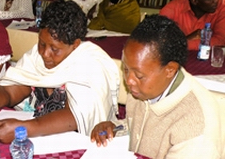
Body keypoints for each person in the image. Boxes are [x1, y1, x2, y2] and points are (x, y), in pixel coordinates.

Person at [0, 0, 120, 144]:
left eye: (54, 49)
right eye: (41, 44)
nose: (44, 53)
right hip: (38, 133)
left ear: (75, 45)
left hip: (72, 141)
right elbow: (11, 90)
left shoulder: (90, 64)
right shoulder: (37, 56)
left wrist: (25, 129)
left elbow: (76, 117)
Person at [90, 15, 223, 158]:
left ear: (170, 69)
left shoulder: (195, 129)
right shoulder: (145, 89)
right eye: (126, 69)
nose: (129, 81)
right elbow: (142, 125)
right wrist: (115, 127)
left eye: (139, 75)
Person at [159, 0, 225, 50]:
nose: (216, 0)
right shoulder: (174, 7)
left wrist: (181, 44)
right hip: (179, 58)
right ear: (195, 1)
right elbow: (157, 37)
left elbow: (220, 41)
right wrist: (186, 40)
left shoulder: (223, 6)